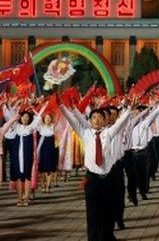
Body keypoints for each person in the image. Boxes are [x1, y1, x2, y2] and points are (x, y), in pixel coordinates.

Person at [60, 102, 133, 241]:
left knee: (108, 212)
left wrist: (129, 110)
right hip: (92, 180)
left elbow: (120, 124)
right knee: (93, 214)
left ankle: (107, 237)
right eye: (94, 117)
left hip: (108, 178)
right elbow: (72, 120)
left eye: (100, 117)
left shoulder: (108, 133)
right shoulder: (86, 133)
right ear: (90, 120)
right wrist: (62, 106)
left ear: (104, 120)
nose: (97, 119)